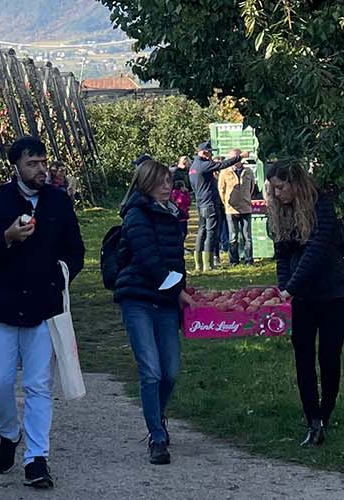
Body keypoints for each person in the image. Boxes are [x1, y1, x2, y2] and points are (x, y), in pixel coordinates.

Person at [0, 136, 85, 489]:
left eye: (43, 162)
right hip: (0, 304)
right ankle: (9, 432)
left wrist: (60, 275)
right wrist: (6, 237)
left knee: (38, 384)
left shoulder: (57, 201)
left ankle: (37, 458)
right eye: (32, 163)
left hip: (43, 304)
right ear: (15, 166)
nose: (40, 169)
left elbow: (75, 249)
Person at [265, 160, 344, 448]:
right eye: (274, 189)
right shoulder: (281, 212)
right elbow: (282, 254)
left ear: (295, 183)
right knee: (302, 356)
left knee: (329, 356)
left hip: (332, 292)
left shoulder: (322, 205)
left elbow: (315, 250)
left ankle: (326, 411)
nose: (277, 194)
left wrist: (291, 287)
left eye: (281, 187)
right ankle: (312, 418)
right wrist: (284, 288)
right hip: (300, 297)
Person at [115, 158, 191, 465]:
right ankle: (157, 437)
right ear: (146, 183)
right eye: (160, 182)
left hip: (166, 301)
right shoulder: (136, 214)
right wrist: (178, 290)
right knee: (151, 369)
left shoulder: (172, 214)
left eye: (168, 181)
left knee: (170, 370)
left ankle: (157, 415)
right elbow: (149, 259)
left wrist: (182, 287)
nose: (166, 186)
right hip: (138, 298)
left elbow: (175, 259)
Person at [188, 142, 242, 271]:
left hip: (201, 203)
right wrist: (239, 157)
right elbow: (222, 165)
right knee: (211, 233)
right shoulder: (204, 165)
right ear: (204, 152)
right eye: (210, 152)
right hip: (210, 203)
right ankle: (208, 264)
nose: (211, 155)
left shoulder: (193, 166)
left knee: (201, 232)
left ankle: (199, 264)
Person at [220, 149, 255, 265]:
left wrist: (246, 199)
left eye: (237, 157)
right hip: (231, 209)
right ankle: (234, 260)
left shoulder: (248, 171)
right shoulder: (225, 172)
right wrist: (227, 204)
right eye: (232, 158)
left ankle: (248, 259)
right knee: (233, 236)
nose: (235, 160)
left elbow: (252, 187)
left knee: (247, 236)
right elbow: (221, 189)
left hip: (245, 207)